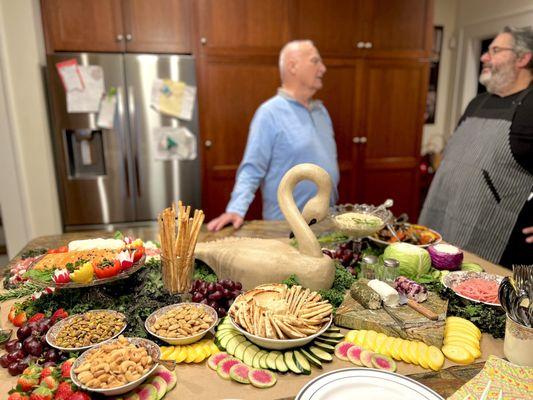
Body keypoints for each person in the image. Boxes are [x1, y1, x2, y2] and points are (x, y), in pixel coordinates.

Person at [419, 26, 533, 267]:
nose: (484, 57)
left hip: (492, 241)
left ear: (523, 58)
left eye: (495, 50)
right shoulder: (477, 103)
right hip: (442, 218)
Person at [207, 40, 340, 232]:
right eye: (315, 61)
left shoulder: (322, 111)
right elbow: (252, 169)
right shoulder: (269, 113)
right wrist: (236, 209)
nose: (323, 68)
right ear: (292, 66)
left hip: (326, 223)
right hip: (285, 229)